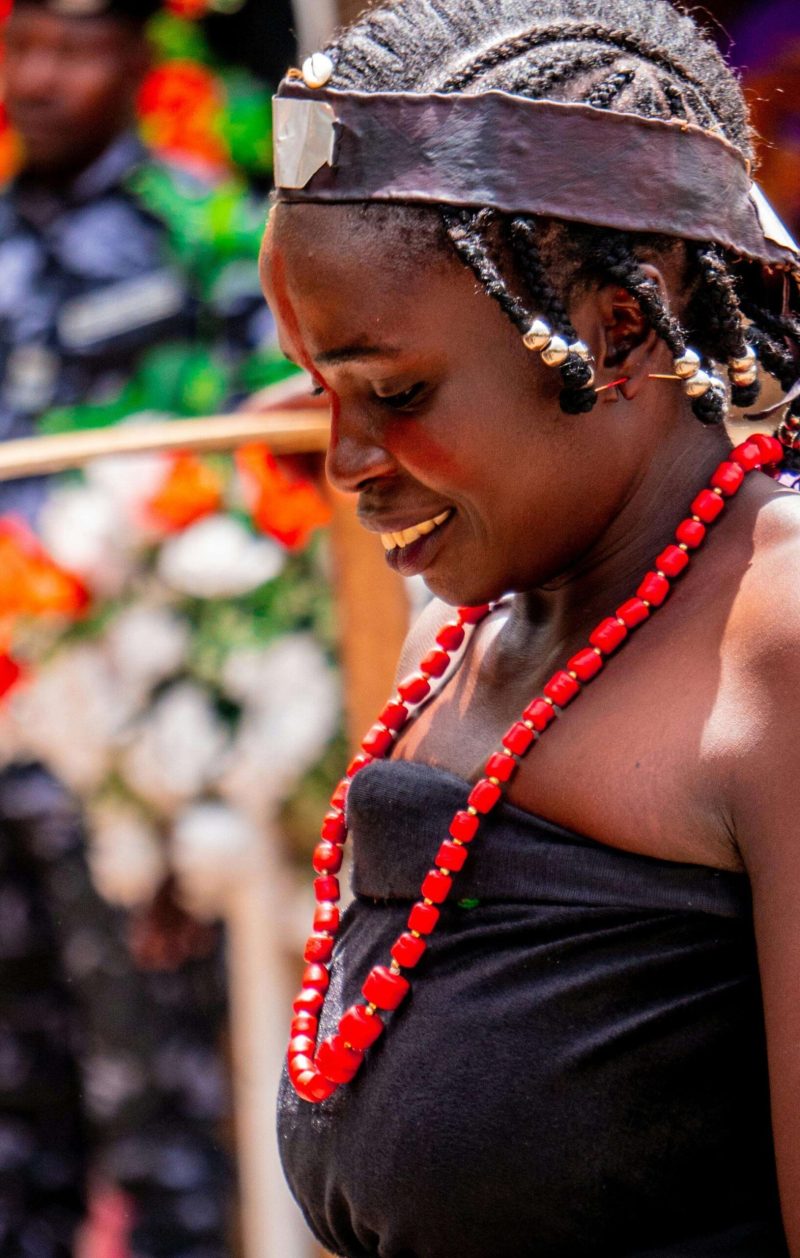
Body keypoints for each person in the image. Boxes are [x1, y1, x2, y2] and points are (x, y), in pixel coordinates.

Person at [262, 1, 800, 1255]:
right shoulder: (456, 641)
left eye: (394, 391)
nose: (344, 462)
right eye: (315, 389)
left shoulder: (779, 647)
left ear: (616, 331)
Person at [0, 1, 275, 1253]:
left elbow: (276, 445)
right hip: (9, 725)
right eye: (20, 45)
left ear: (134, 58)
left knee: (165, 1103)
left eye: (73, 44)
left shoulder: (209, 223)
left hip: (142, 738)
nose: (39, 76)